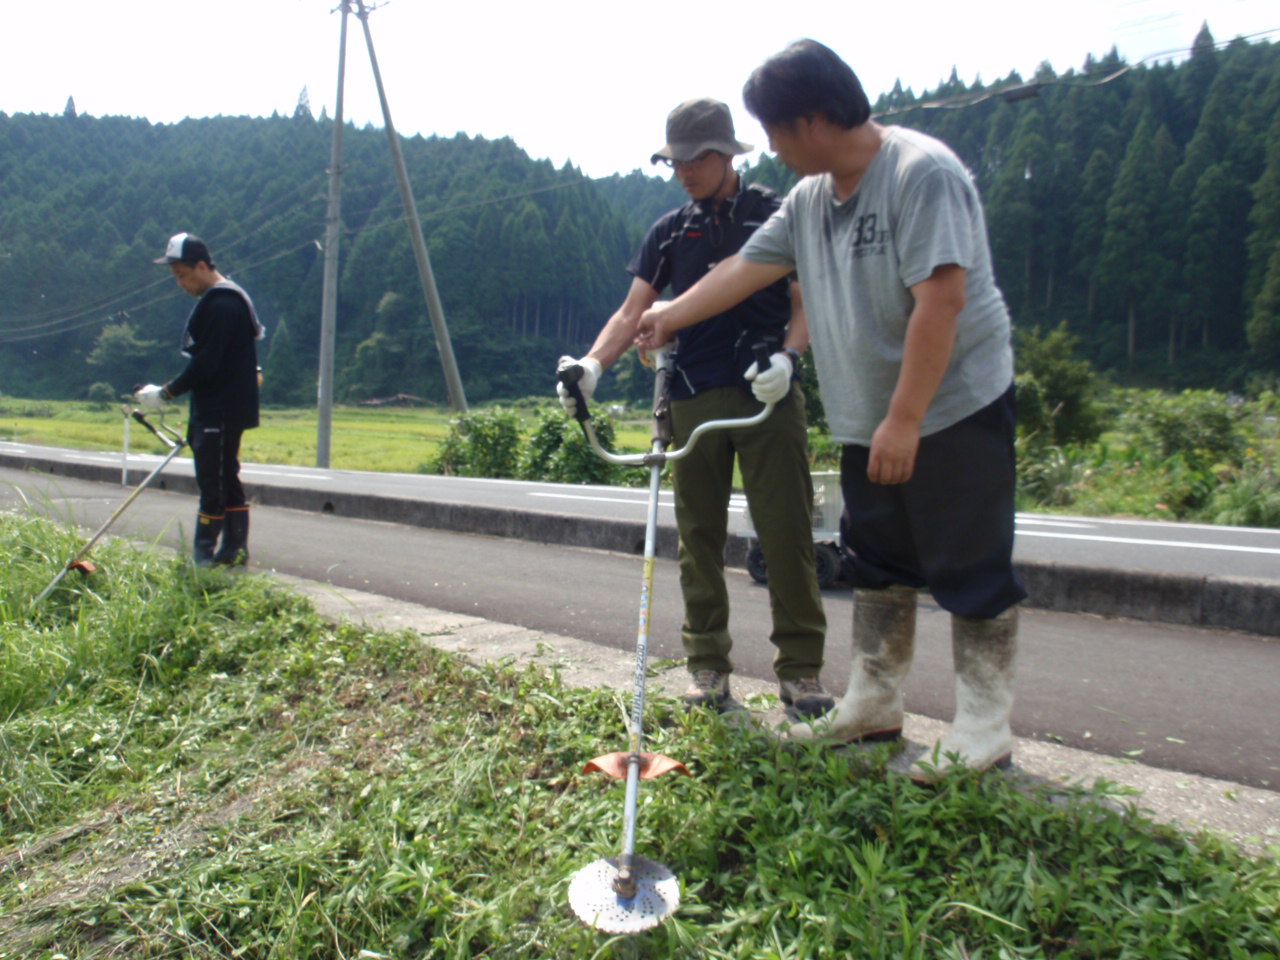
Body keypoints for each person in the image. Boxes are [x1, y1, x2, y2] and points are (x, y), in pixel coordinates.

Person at [635, 41, 1027, 781]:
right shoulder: (812, 199)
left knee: (968, 562)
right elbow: (745, 268)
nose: (774, 150)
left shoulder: (921, 174)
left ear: (814, 120)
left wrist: (906, 418)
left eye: (777, 132)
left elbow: (942, 298)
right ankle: (873, 702)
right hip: (868, 412)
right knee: (880, 561)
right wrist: (671, 316)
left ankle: (984, 727)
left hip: (950, 405)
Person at [556, 97, 832, 717]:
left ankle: (802, 671)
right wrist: (593, 366)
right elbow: (634, 312)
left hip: (767, 390)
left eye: (693, 159)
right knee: (698, 537)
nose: (682, 171)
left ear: (725, 154)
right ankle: (707, 666)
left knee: (785, 531)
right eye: (673, 161)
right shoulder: (670, 230)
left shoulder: (773, 213)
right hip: (690, 395)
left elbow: (804, 297)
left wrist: (790, 357)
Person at [135, 232, 264, 567]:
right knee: (225, 477)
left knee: (213, 481)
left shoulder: (222, 304)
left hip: (220, 410)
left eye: (182, 275)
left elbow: (206, 363)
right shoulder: (226, 300)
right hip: (221, 407)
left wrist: (166, 393)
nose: (180, 283)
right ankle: (233, 552)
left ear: (203, 266)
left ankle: (204, 556)